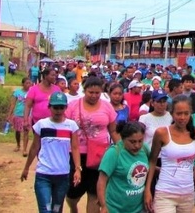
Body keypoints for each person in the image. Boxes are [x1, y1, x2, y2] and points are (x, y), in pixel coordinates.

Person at [145, 95, 195, 213]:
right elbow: (152, 161)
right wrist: (148, 190)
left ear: (191, 113)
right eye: (178, 114)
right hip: (165, 192)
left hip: (188, 194)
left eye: (186, 113)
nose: (182, 117)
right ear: (172, 113)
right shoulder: (162, 133)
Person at [65, 76, 120, 213]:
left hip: (99, 155)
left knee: (94, 193)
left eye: (97, 93)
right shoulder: (73, 106)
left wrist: (121, 148)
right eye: (91, 92)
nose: (94, 96)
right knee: (73, 193)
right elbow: (65, 128)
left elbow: (113, 130)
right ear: (85, 91)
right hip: (77, 154)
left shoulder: (107, 106)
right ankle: (73, 207)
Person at [21, 92, 82, 213]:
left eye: (61, 107)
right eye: (55, 107)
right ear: (49, 107)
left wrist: (77, 169)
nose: (58, 111)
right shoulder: (41, 125)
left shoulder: (71, 126)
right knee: (45, 209)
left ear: (65, 108)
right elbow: (34, 147)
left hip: (62, 175)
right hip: (44, 174)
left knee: (56, 209)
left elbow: (75, 148)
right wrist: (26, 167)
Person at [97, 121, 148, 213]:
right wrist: (103, 206)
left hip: (139, 208)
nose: (137, 145)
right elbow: (102, 181)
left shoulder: (145, 149)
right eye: (132, 142)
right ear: (123, 139)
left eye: (140, 141)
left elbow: (150, 167)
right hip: (115, 208)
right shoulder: (114, 152)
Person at [24, 68, 61, 157]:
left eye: (55, 75)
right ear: (45, 76)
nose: (54, 77)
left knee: (51, 144)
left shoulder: (57, 89)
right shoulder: (34, 89)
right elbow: (28, 105)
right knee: (39, 144)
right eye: (52, 75)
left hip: (54, 123)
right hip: (37, 123)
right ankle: (42, 162)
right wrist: (25, 120)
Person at [7, 77, 33, 154]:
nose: (29, 85)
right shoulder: (17, 92)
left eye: (30, 83)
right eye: (27, 83)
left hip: (28, 115)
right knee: (18, 131)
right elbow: (13, 104)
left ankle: (25, 149)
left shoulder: (32, 92)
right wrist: (9, 114)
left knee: (26, 131)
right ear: (22, 84)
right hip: (18, 113)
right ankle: (18, 145)